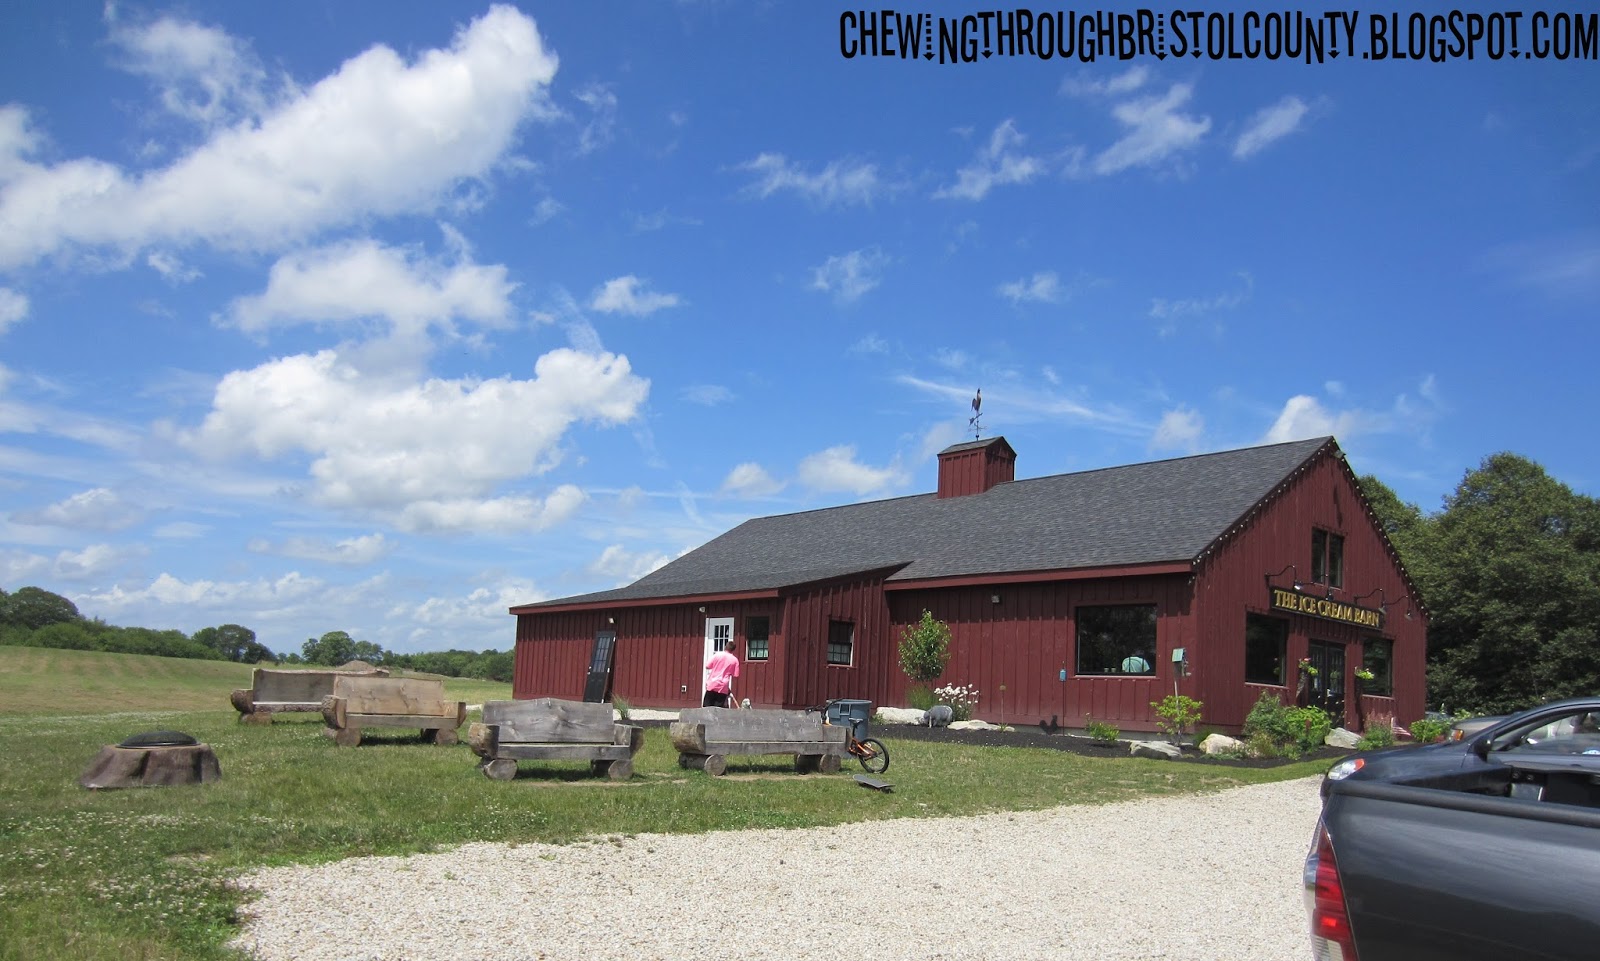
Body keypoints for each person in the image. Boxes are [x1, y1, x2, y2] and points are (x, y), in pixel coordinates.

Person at [703, 640, 740, 708]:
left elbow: (707, 666)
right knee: (718, 709)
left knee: (707, 707)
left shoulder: (717, 655)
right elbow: (736, 675)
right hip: (723, 686)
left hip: (712, 684)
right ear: (733, 650)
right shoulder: (735, 660)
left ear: (725, 647)